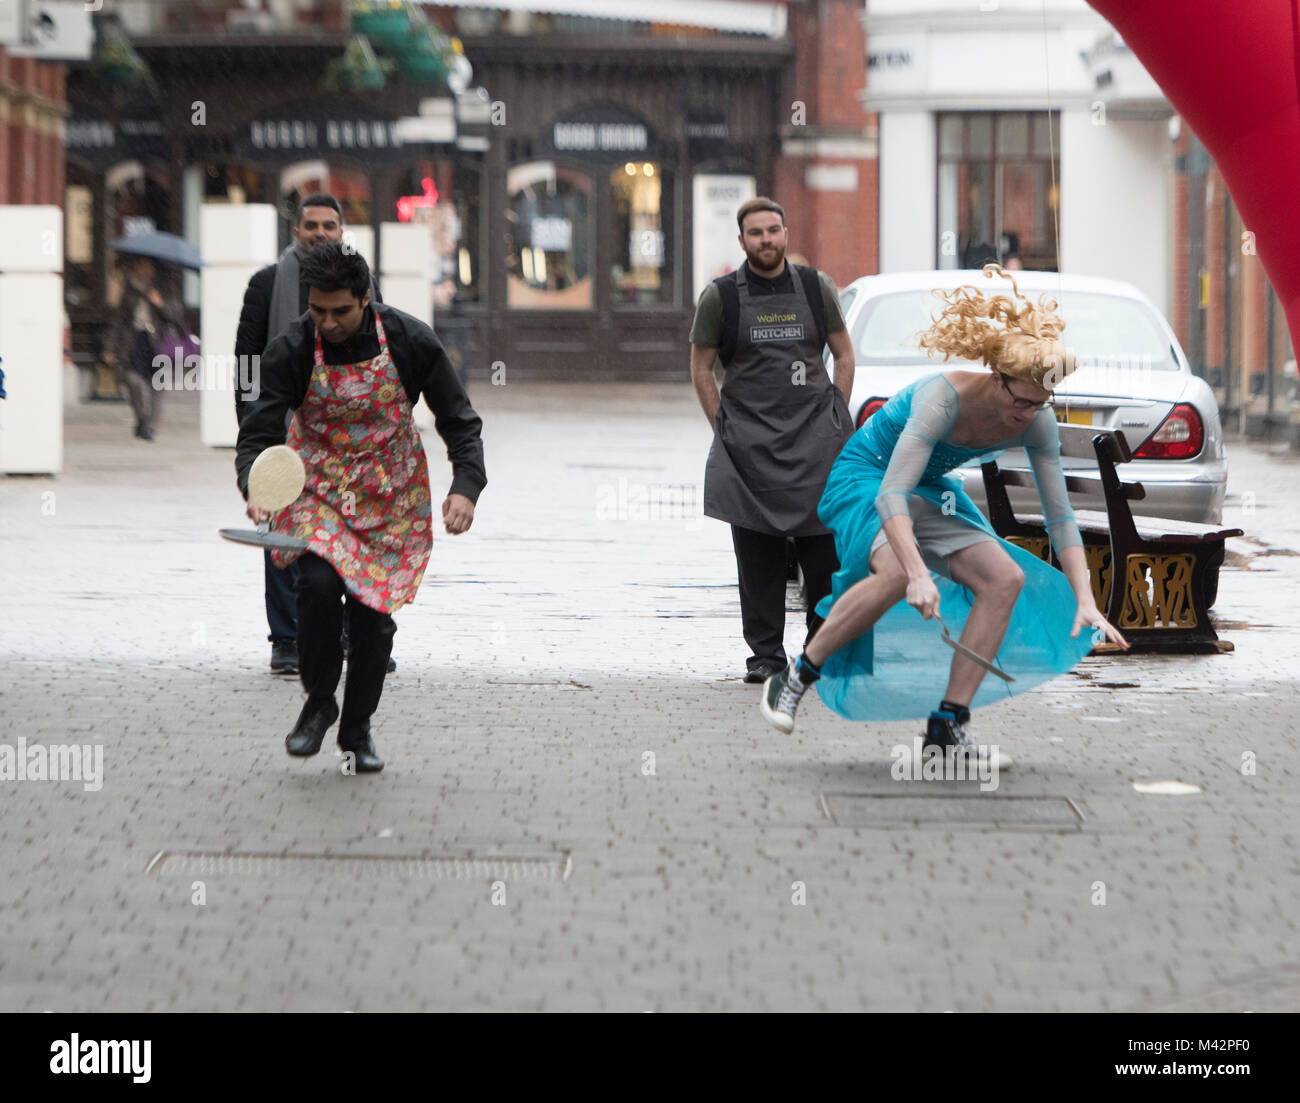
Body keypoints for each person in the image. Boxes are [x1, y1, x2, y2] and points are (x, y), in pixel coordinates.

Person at [759, 264, 1128, 761]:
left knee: (1005, 580)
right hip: (868, 478)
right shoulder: (941, 400)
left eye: (1043, 402)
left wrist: (1085, 598)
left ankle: (948, 724)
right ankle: (797, 675)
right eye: (1022, 400)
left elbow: (1059, 516)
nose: (1029, 413)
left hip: (928, 490)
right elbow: (891, 493)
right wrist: (916, 573)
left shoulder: (1036, 419)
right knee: (892, 574)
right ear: (998, 379)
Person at [235, 243, 485, 773]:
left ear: (365, 299)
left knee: (373, 620)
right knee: (319, 587)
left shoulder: (411, 340)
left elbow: (459, 419)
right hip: (318, 489)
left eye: (340, 312)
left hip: (390, 497)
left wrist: (465, 484)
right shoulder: (295, 346)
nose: (327, 322)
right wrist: (255, 485)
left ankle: (358, 729)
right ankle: (319, 699)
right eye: (318, 310)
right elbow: (259, 428)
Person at [689, 197, 855, 683]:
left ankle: (819, 652)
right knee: (757, 556)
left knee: (823, 555)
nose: (767, 240)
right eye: (756, 233)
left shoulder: (815, 287)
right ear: (742, 241)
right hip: (749, 448)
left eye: (774, 230)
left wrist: (836, 416)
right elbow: (701, 366)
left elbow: (844, 355)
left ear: (786, 233)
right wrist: (723, 425)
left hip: (815, 445)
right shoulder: (721, 296)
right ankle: (765, 657)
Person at [234, 193, 383, 676]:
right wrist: (252, 422)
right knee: (282, 533)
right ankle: (287, 639)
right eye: (312, 224)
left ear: (342, 233)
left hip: (344, 434)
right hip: (281, 429)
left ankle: (346, 631)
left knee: (347, 527)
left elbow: (377, 351)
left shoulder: (362, 283)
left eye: (330, 225)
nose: (321, 232)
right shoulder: (266, 283)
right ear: (297, 231)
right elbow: (247, 362)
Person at [104, 255, 187, 441]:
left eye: (147, 265)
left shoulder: (165, 288)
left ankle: (151, 427)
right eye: (140, 265)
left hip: (158, 342)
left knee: (157, 387)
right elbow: (119, 319)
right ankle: (142, 418)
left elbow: (176, 318)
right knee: (132, 380)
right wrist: (110, 347)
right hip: (134, 340)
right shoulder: (130, 287)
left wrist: (160, 303)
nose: (144, 269)